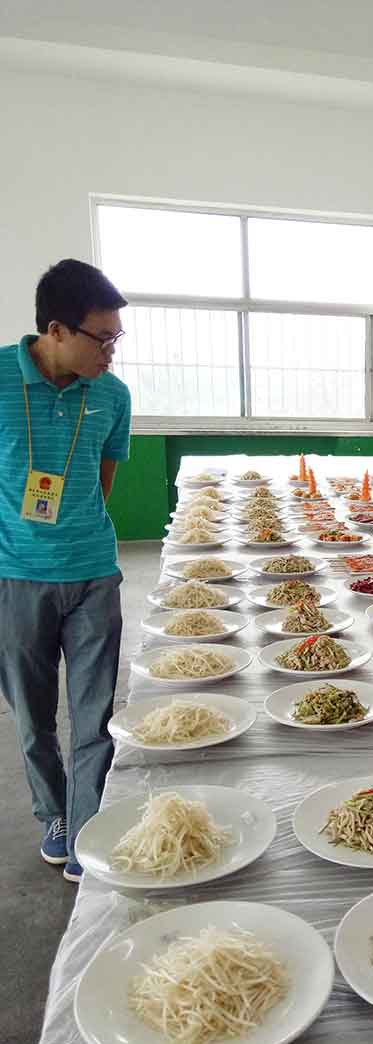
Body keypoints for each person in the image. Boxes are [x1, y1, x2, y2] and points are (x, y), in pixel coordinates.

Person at [0, 259, 131, 883]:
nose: (111, 352)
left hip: (93, 574)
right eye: (101, 339)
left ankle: (84, 832)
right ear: (55, 330)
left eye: (116, 339)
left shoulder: (112, 395)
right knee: (32, 719)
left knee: (94, 716)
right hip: (14, 577)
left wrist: (76, 533)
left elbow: (101, 483)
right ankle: (53, 813)